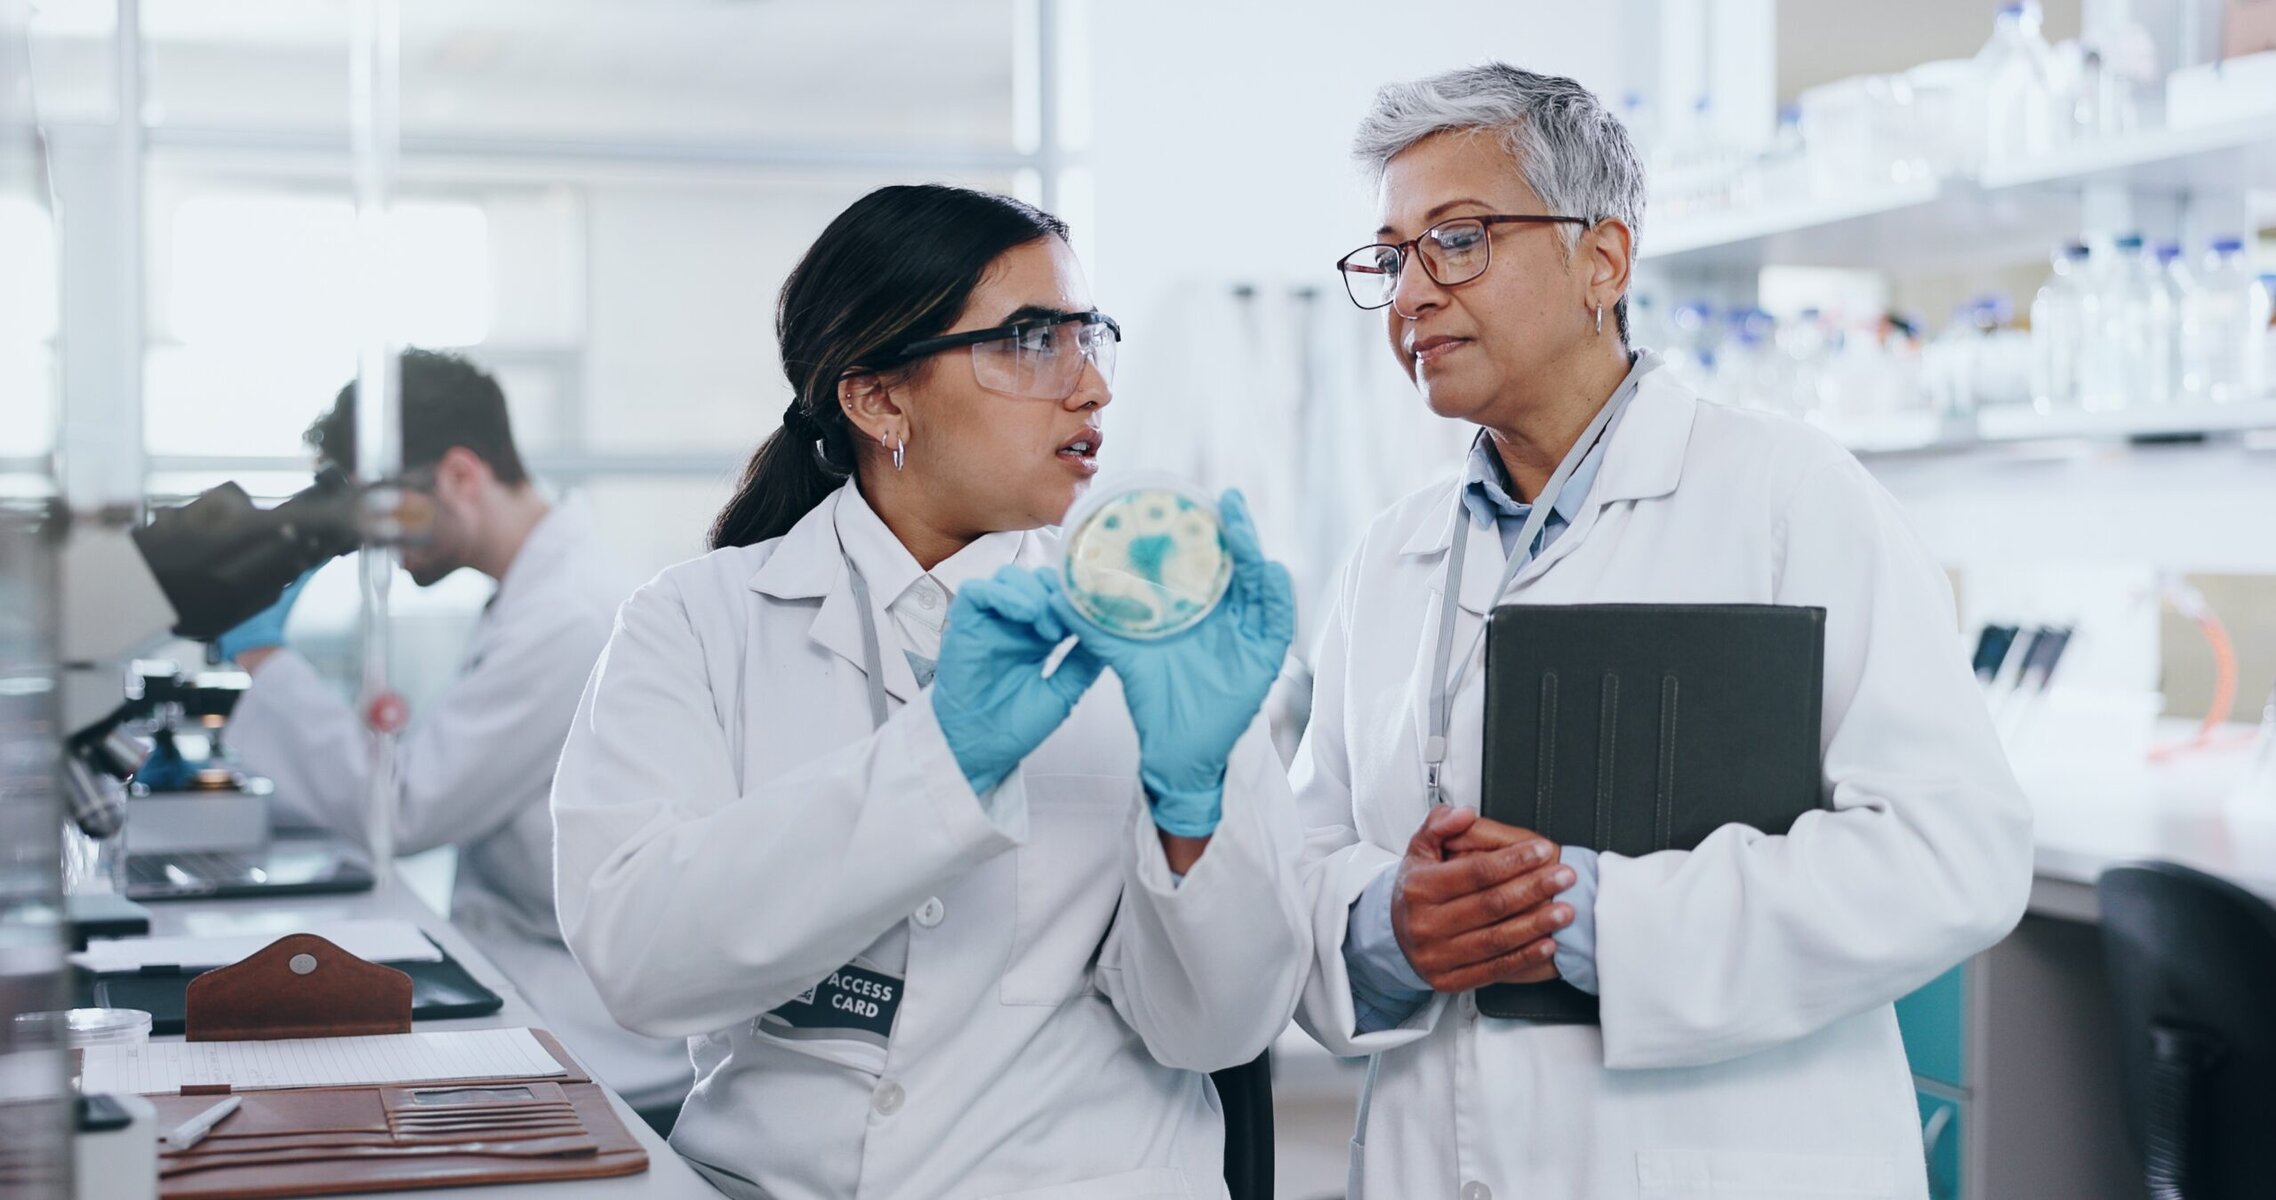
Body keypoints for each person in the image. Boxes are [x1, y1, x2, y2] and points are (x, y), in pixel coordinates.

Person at [1291, 65, 2034, 1198]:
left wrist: (1594, 920)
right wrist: (1382, 928)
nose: (1409, 294)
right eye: (1390, 257)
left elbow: (1953, 855)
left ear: (1602, 259)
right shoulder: (1389, 558)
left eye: (1456, 240)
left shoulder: (1790, 499)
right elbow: (1304, 857)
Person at [549, 184, 1309, 1198]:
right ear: (876, 398)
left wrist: (1193, 797)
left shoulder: (1152, 630)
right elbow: (640, 962)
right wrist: (942, 762)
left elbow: (1213, 1028)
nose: (1090, 389)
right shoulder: (698, 621)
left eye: (1090, 338)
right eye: (1032, 340)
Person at [214, 350, 690, 1123]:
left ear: (461, 475)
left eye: (381, 510)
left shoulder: (568, 615)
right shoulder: (535, 595)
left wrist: (266, 658)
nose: (373, 541)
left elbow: (405, 811)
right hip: (529, 983)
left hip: (596, 1039)